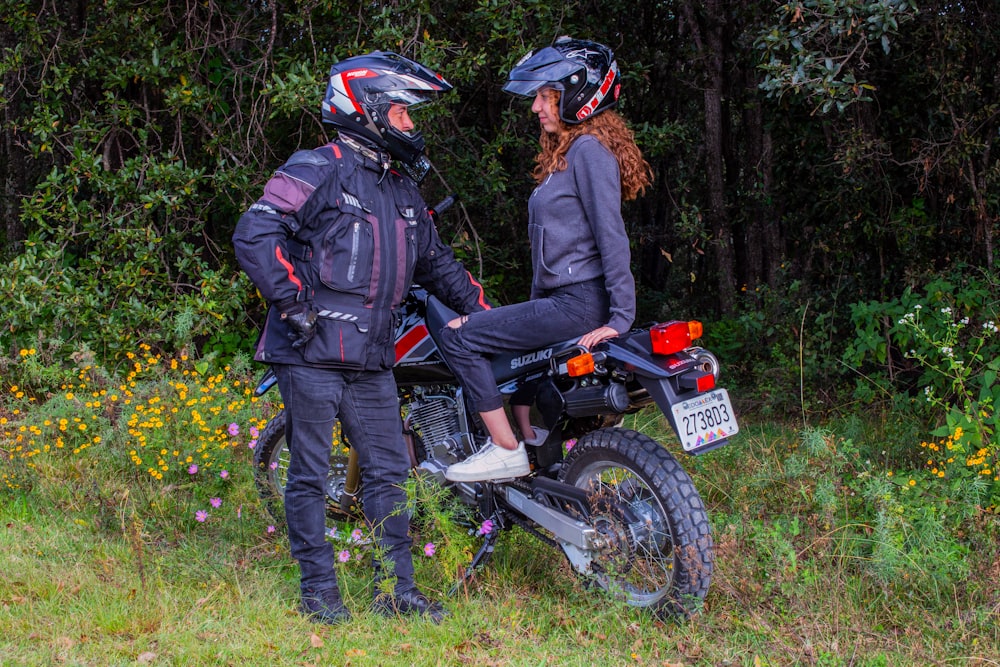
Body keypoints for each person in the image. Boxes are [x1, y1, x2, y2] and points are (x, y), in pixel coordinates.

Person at [233, 51, 490, 625]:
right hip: (310, 352)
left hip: (373, 359)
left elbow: (439, 265)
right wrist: (293, 303)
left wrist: (490, 317)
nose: (410, 125)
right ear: (366, 108)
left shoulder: (402, 190)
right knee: (308, 470)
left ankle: (396, 593)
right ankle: (318, 590)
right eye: (402, 113)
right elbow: (255, 232)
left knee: (388, 471)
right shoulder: (317, 167)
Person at [441, 37, 653, 483]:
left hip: (579, 303)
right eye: (537, 97)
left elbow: (610, 233)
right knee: (517, 380)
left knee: (458, 338)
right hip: (561, 300)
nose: (536, 106)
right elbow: (551, 249)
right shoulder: (569, 154)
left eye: (545, 95)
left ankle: (504, 450)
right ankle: (543, 471)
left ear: (575, 95)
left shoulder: (588, 152)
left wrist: (621, 317)